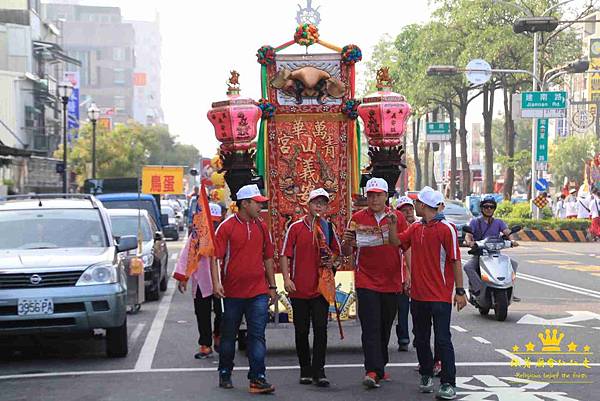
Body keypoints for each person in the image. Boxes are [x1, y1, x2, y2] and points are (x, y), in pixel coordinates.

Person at [393, 187, 467, 400]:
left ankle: (448, 383)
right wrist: (390, 226)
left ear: (423, 206)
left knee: (443, 339)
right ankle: (426, 374)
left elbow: (455, 260)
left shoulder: (447, 229)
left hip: (441, 296)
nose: (414, 205)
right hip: (418, 295)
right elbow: (397, 242)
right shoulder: (416, 227)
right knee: (421, 339)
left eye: (417, 203)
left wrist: (460, 291)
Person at [341, 177, 409, 389]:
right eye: (370, 195)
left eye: (378, 195)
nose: (374, 199)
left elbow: (406, 247)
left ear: (386, 196)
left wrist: (409, 276)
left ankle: (379, 366)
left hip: (391, 281)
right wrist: (346, 243)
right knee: (370, 327)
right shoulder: (357, 218)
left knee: (385, 326)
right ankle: (372, 370)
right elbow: (346, 251)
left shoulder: (397, 217)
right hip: (366, 280)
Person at [211, 184, 277, 394]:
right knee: (229, 335)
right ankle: (225, 372)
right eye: (257, 203)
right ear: (244, 203)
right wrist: (216, 283)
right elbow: (215, 257)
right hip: (232, 292)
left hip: (257, 290)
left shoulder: (261, 226)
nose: (260, 207)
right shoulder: (227, 227)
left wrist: (272, 286)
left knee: (257, 335)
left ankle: (257, 378)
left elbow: (268, 257)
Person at [280, 188, 341, 387]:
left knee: (321, 330)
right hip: (299, 288)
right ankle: (305, 369)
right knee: (301, 330)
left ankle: (319, 371)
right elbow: (284, 254)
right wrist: (287, 279)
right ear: (308, 205)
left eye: (322, 204)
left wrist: (330, 261)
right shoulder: (296, 228)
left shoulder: (328, 228)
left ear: (326, 207)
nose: (319, 207)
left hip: (320, 289)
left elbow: (337, 253)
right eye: (316, 203)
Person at [174, 202, 223, 359]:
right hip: (202, 280)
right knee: (202, 313)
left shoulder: (224, 233)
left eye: (216, 221)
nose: (213, 224)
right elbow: (186, 257)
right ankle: (205, 344)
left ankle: (219, 335)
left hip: (222, 281)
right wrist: (183, 277)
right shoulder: (196, 237)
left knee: (223, 312)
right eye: (211, 221)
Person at [463, 196, 520, 303]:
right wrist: (470, 242)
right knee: (468, 267)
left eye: (491, 207)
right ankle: (478, 289)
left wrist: (512, 241)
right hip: (480, 254)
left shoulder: (498, 222)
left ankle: (509, 290)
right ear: (481, 208)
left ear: (494, 209)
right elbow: (468, 235)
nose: (489, 209)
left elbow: (507, 232)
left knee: (513, 264)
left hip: (495, 253)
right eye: (486, 206)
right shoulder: (475, 222)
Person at [395, 196, 415, 353]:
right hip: (396, 274)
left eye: (410, 209)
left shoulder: (419, 227)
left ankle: (413, 338)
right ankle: (403, 338)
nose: (408, 212)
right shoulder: (393, 229)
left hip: (416, 274)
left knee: (413, 309)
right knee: (399, 309)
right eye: (404, 210)